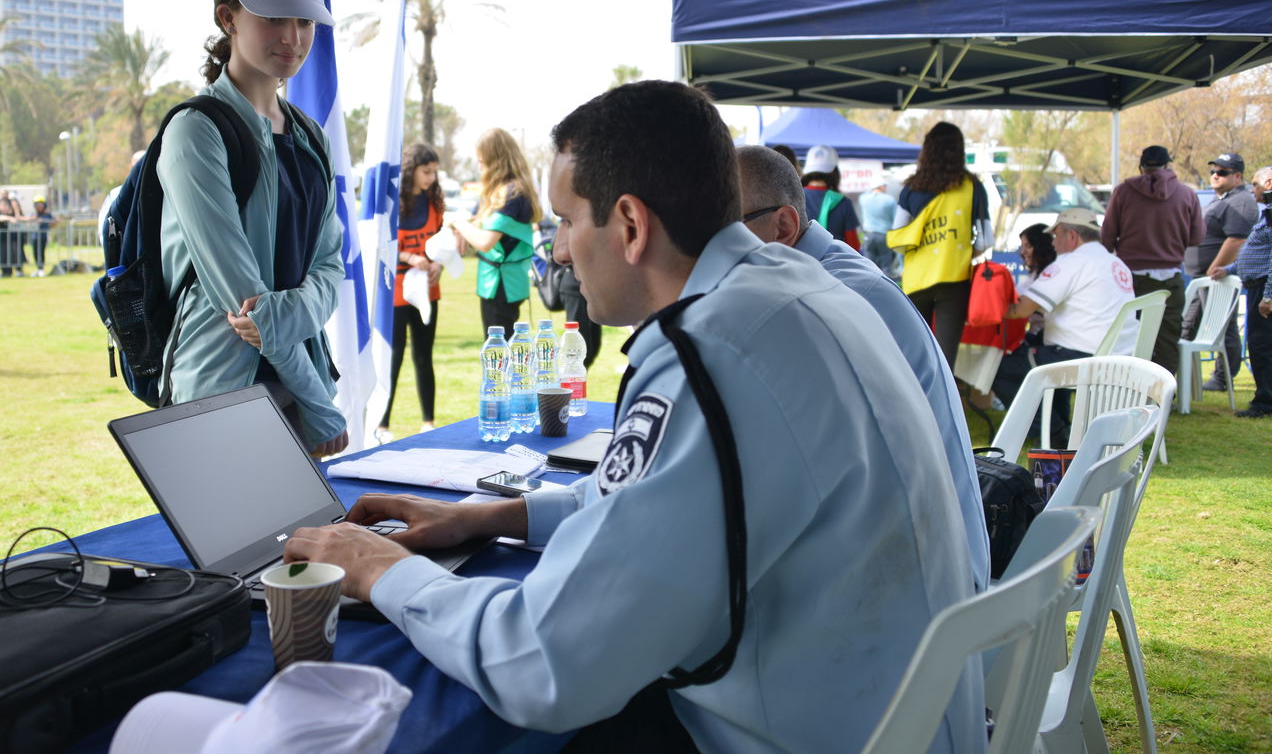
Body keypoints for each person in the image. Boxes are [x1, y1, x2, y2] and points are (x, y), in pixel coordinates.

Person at [283, 82, 982, 753]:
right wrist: (489, 517)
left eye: (564, 220)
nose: (555, 249)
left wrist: (380, 569)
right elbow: (658, 493)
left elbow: (543, 666)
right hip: (890, 715)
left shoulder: (709, 352)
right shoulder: (797, 290)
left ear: (629, 225)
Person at [736, 144, 989, 592]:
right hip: (920, 566)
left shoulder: (830, 301)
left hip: (927, 597)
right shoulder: (823, 281)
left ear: (783, 226)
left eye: (724, 234)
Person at [155, 0, 347, 457]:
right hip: (222, 394)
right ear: (227, 18)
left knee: (311, 541)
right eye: (272, 17)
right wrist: (318, 401)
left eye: (304, 20)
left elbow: (330, 266)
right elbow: (242, 301)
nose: (292, 37)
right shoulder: (196, 131)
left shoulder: (310, 135)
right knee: (240, 540)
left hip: (300, 386)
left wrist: (290, 327)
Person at [1002, 208, 1137, 444]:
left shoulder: (1071, 262)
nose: (1053, 244)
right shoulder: (1117, 264)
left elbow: (1022, 310)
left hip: (1082, 358)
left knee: (1003, 365)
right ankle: (1060, 427)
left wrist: (983, 310)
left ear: (1072, 236)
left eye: (1056, 236)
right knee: (1046, 353)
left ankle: (1054, 432)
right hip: (1122, 356)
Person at [887, 121, 993, 370]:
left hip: (915, 281)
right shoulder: (973, 186)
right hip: (954, 280)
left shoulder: (911, 188)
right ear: (959, 151)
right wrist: (965, 251)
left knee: (913, 358)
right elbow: (987, 239)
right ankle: (944, 408)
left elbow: (896, 238)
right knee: (945, 362)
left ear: (927, 151)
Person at [1100, 145, 1204, 377]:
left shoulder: (1124, 191)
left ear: (1141, 165)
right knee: (1167, 336)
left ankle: (1128, 384)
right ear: (1168, 165)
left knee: (1126, 334)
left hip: (1129, 278)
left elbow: (1107, 236)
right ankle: (1163, 391)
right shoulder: (1186, 194)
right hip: (1169, 277)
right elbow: (1197, 237)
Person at [375, 142, 446, 444]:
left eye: (434, 172)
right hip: (397, 293)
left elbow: (442, 243)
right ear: (411, 170)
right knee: (394, 357)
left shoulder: (435, 203)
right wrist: (409, 258)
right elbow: (381, 246)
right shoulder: (394, 202)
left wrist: (438, 264)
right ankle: (382, 424)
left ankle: (428, 422)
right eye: (425, 171)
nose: (431, 177)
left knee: (423, 356)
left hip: (428, 292)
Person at [449, 127, 540, 335]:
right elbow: (487, 225)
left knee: (498, 355)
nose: (480, 167)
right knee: (499, 354)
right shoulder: (509, 191)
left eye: (482, 161)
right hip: (501, 283)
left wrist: (456, 221)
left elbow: (485, 241)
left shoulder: (511, 193)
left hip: (501, 284)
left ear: (495, 160)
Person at [1184, 152, 1259, 392]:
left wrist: (1214, 268)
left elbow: (1236, 240)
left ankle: (1223, 378)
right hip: (1201, 278)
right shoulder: (1222, 198)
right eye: (1213, 171)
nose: (1215, 175)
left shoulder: (1241, 201)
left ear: (1237, 176)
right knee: (1186, 327)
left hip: (1217, 278)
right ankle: (1182, 379)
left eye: (1222, 172)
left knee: (1223, 328)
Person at [1212, 165, 1272, 419]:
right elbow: (1259, 254)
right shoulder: (1266, 214)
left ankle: (1265, 403)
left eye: (1256, 185)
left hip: (1264, 290)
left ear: (1270, 183)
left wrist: (1268, 295)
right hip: (1257, 286)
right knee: (1259, 345)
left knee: (1262, 346)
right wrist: (1229, 269)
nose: (1252, 189)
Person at [989, 224, 1057, 409]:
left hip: (1045, 342)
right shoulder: (1036, 274)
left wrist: (987, 306)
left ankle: (1035, 424)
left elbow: (1019, 309)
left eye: (1028, 246)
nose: (1023, 251)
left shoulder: (1050, 274)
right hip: (1040, 339)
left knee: (997, 368)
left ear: (1041, 246)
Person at [799, 144, 860, 249]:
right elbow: (853, 245)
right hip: (835, 263)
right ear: (833, 171)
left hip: (800, 262)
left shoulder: (794, 198)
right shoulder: (843, 202)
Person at [858, 179, 899, 277]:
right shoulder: (889, 200)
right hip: (884, 236)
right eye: (884, 186)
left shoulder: (863, 198)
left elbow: (866, 193)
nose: (886, 188)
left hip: (869, 235)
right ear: (880, 186)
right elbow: (896, 219)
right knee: (886, 266)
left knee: (869, 266)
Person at [29, 198, 54, 276]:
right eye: (37, 205)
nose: (39, 206)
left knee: (42, 252)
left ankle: (41, 268)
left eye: (41, 204)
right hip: (34, 236)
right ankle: (38, 268)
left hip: (43, 236)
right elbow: (28, 223)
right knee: (35, 252)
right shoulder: (33, 214)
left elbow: (52, 223)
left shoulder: (48, 214)